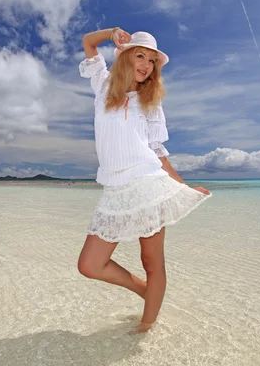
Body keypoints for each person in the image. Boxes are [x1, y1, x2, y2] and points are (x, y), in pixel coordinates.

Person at [77, 27, 211, 333]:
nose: (147, 65)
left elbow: (157, 152)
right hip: (115, 190)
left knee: (152, 262)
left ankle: (146, 327)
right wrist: (111, 32)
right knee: (89, 265)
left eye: (152, 61)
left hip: (148, 185)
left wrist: (183, 187)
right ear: (125, 57)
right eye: (140, 55)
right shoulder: (103, 85)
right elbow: (87, 42)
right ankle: (143, 290)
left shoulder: (150, 101)